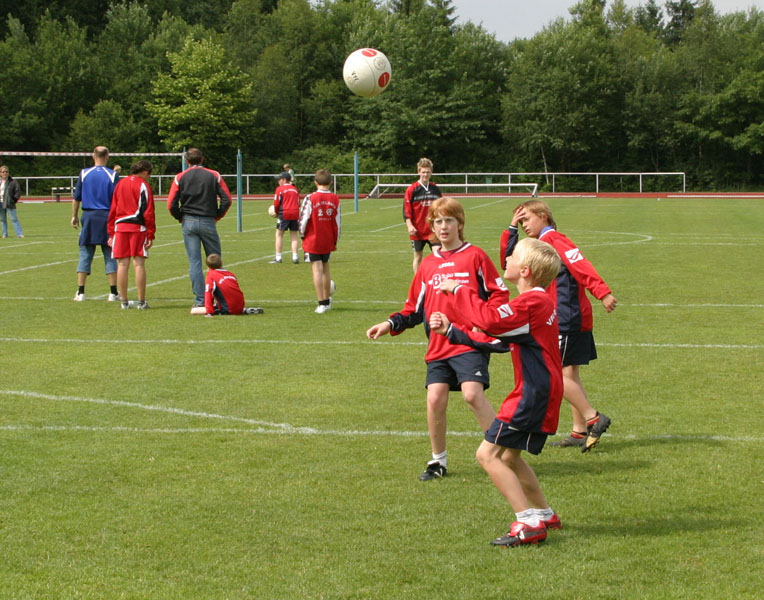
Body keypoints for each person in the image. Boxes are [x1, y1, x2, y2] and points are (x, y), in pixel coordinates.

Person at [430, 237, 564, 547]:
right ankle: (544, 514)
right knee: (509, 455)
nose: (507, 257)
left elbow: (490, 320)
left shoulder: (531, 303)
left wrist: (459, 290)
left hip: (533, 392)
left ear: (526, 270)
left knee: (487, 454)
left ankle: (528, 522)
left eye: (513, 255)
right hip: (541, 389)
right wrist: (452, 331)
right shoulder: (538, 303)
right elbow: (498, 339)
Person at [366, 197, 509, 481]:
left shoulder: (476, 256)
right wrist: (389, 323)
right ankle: (437, 462)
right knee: (435, 399)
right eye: (438, 221)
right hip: (438, 346)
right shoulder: (428, 265)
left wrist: (484, 323)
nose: (443, 227)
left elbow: (499, 294)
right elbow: (414, 309)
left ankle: (504, 453)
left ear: (460, 223)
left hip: (468, 341)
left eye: (449, 221)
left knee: (471, 394)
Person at [500, 200, 616, 452]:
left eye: (526, 219)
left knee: (557, 376)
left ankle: (593, 417)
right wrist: (511, 229)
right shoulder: (540, 244)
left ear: (543, 216)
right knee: (569, 375)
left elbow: (579, 263)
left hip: (565, 317)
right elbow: (508, 263)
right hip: (565, 316)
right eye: (521, 222)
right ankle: (579, 431)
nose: (524, 225)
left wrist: (602, 292)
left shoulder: (555, 239)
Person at [167, 147, 232, 307]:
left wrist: (180, 217)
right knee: (215, 260)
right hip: (208, 220)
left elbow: (170, 204)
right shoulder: (214, 175)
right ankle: (220, 300)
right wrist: (217, 215)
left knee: (194, 262)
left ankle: (200, 301)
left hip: (188, 221)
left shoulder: (180, 177)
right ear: (202, 159)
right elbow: (227, 199)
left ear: (186, 161)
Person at [71, 146, 120, 301]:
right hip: (107, 217)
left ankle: (80, 292)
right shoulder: (112, 175)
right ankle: (113, 293)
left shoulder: (84, 173)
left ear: (93, 156)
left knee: (85, 254)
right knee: (110, 255)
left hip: (89, 216)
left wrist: (74, 216)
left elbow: (76, 197)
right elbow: (117, 200)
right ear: (107, 157)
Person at [107, 160, 155, 310]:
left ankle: (124, 302)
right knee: (139, 264)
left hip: (120, 227)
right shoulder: (143, 185)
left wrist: (111, 232)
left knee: (122, 264)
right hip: (137, 227)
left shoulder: (120, 184)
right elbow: (149, 212)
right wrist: (151, 234)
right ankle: (141, 302)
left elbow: (113, 209)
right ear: (145, 172)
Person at [299, 169, 340, 314]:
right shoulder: (335, 198)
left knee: (317, 270)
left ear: (315, 182)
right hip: (328, 238)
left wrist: (302, 235)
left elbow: (303, 219)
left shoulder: (310, 198)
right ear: (330, 182)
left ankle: (322, 302)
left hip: (313, 239)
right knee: (326, 269)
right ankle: (327, 301)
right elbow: (337, 222)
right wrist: (335, 240)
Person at [190, 254, 264, 316]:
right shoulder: (230, 274)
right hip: (240, 305)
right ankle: (244, 310)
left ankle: (232, 309)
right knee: (221, 297)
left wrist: (209, 312)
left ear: (208, 267)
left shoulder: (211, 275)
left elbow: (208, 293)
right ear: (222, 262)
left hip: (227, 308)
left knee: (193, 311)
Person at [403, 157, 442, 272]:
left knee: (438, 255)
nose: (425, 174)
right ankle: (418, 282)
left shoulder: (435, 189)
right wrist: (410, 226)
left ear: (431, 172)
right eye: (423, 172)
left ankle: (437, 279)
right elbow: (406, 210)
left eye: (428, 172)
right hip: (417, 230)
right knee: (418, 256)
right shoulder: (412, 189)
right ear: (419, 172)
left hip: (432, 229)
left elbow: (441, 207)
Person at [269, 171, 301, 264]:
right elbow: (298, 203)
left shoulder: (279, 189)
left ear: (284, 179)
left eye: (279, 179)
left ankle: (278, 257)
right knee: (294, 235)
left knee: (279, 234)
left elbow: (276, 202)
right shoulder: (295, 189)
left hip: (284, 213)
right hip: (295, 213)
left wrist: (276, 212)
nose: (278, 181)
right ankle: (295, 257)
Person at [0, 165, 24, 239]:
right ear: (0, 173)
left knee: (14, 219)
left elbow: (18, 192)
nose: (5, 173)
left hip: (9, 203)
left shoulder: (12, 182)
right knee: (3, 219)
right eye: (3, 172)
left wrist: (14, 199)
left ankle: (19, 234)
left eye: (6, 172)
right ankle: (4, 234)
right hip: (0, 203)